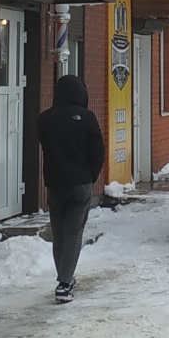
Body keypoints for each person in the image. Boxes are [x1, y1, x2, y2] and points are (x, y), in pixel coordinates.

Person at [37, 73, 108, 303]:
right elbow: (98, 151)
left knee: (59, 234)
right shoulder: (87, 118)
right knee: (74, 232)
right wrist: (91, 175)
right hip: (80, 184)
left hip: (55, 184)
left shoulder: (44, 119)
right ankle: (65, 283)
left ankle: (64, 277)